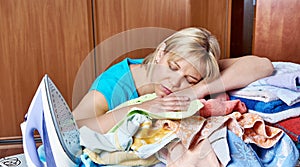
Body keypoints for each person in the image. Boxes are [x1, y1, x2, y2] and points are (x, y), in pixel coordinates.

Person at [72, 27, 274, 134]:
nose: (175, 82)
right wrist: (144, 108)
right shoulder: (113, 85)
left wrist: (200, 88)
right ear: (161, 53)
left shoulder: (196, 66)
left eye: (189, 78)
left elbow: (263, 65)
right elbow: (74, 126)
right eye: (173, 67)